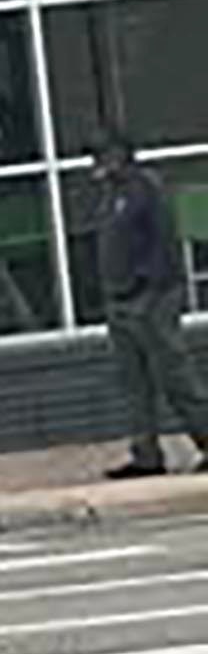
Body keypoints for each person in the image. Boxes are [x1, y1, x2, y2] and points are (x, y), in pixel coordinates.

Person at [93, 133, 208, 479]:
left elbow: (164, 244)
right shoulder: (112, 195)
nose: (98, 165)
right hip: (120, 300)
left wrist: (149, 287)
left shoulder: (147, 189)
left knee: (175, 375)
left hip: (151, 300)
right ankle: (146, 455)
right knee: (133, 382)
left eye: (103, 157)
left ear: (123, 156)